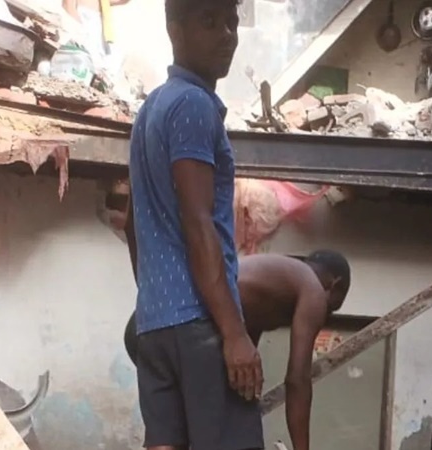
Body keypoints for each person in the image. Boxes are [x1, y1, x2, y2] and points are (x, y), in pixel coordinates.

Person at [123, 0, 261, 448]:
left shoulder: (150, 110)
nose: (227, 35)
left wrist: (157, 297)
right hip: (201, 323)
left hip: (154, 324)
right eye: (210, 22)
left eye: (232, 23)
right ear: (174, 29)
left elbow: (130, 223)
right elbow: (198, 221)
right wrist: (234, 333)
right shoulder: (194, 105)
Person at [124, 251, 352, 450]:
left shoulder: (275, 282)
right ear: (335, 285)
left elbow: (244, 352)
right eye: (333, 307)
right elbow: (297, 380)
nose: (326, 314)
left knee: (173, 436)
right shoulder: (312, 289)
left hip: (146, 324)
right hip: (192, 327)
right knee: (239, 434)